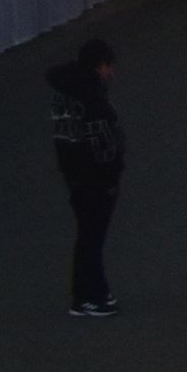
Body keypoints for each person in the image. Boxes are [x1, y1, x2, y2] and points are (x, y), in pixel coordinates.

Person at [42, 37, 127, 316]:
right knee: (92, 238)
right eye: (106, 66)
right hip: (94, 178)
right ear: (98, 66)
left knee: (88, 236)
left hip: (72, 173)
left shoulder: (63, 93)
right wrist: (111, 178)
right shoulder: (92, 101)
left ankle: (96, 291)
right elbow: (103, 147)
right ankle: (87, 296)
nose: (110, 72)